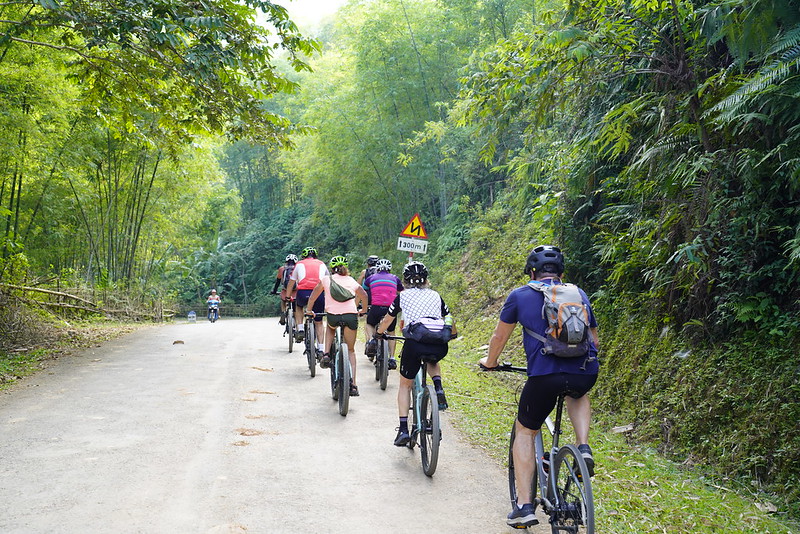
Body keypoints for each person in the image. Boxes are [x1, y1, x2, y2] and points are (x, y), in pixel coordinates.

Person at [478, 245, 599, 529]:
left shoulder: (520, 295)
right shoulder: (578, 293)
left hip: (544, 375)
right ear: (561, 273)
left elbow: (499, 336)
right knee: (577, 393)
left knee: (526, 430)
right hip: (584, 372)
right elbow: (593, 339)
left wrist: (491, 362)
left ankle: (524, 506)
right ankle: (583, 447)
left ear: (531, 271)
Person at [375, 261, 455, 447]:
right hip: (438, 342)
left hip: (415, 343)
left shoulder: (402, 296)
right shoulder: (436, 295)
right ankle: (438, 386)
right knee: (433, 357)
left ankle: (403, 429)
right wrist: (453, 333)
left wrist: (380, 333)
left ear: (405, 281)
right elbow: (449, 316)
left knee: (405, 385)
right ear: (427, 279)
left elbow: (388, 319)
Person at [306, 256, 369, 396]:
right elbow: (364, 295)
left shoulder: (326, 280)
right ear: (346, 268)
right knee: (351, 351)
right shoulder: (351, 281)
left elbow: (313, 297)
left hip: (333, 317)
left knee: (330, 327)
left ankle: (326, 353)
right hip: (350, 316)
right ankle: (353, 385)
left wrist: (309, 310)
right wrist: (363, 310)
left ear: (331, 268)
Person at [363, 258, 403, 369]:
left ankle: (371, 340)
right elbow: (401, 291)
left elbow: (365, 290)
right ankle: (392, 358)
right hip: (391, 309)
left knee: (369, 323)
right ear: (389, 269)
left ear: (377, 268)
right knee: (391, 331)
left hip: (375, 308)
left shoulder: (371, 278)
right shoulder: (395, 278)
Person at [285, 247, 328, 350]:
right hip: (318, 293)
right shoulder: (322, 264)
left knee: (299, 306)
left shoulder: (299, 264)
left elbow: (291, 282)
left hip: (303, 292)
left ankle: (300, 328)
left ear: (304, 256)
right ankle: (321, 349)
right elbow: (328, 281)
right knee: (319, 322)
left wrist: (287, 296)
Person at [271, 254, 298, 324]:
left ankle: (283, 312)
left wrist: (274, 291)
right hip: (296, 291)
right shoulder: (298, 268)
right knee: (297, 307)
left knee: (283, 300)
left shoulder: (282, 269)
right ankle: (297, 322)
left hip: (285, 291)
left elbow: (278, 281)